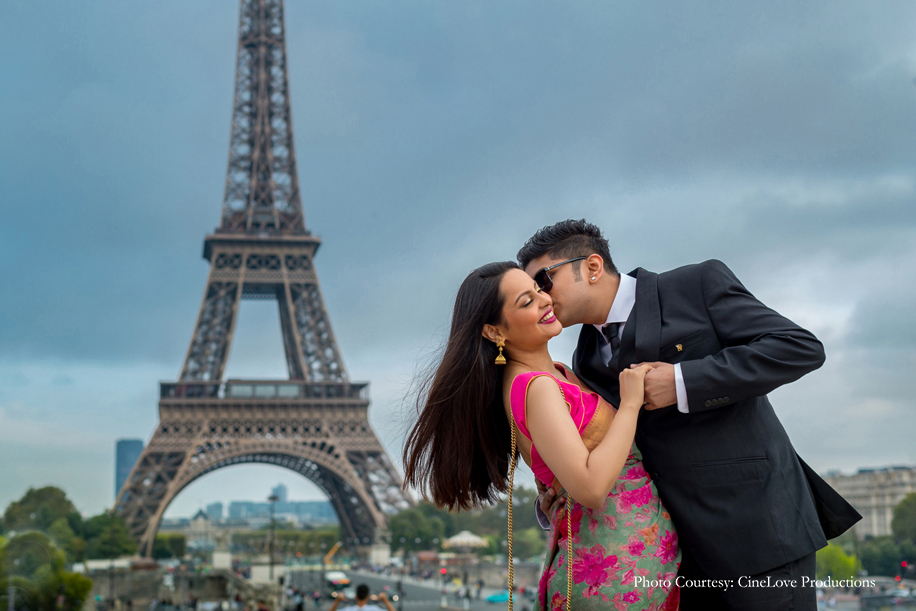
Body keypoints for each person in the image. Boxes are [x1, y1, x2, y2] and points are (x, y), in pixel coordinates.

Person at [517, 219, 862, 611]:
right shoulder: (586, 356)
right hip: (676, 557)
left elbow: (798, 347)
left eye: (543, 281)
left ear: (592, 267)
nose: (540, 298)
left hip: (759, 531)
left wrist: (683, 381)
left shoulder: (695, 284)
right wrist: (558, 497)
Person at [403, 261, 681, 610]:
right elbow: (591, 488)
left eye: (538, 290)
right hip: (613, 580)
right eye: (526, 302)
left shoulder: (556, 375)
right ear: (494, 332)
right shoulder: (537, 388)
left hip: (630, 565)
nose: (545, 300)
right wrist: (629, 403)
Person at [328, 584, 394, 611]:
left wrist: (337, 600)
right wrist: (385, 600)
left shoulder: (348, 609)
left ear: (356, 597)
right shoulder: (375, 609)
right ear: (368, 597)